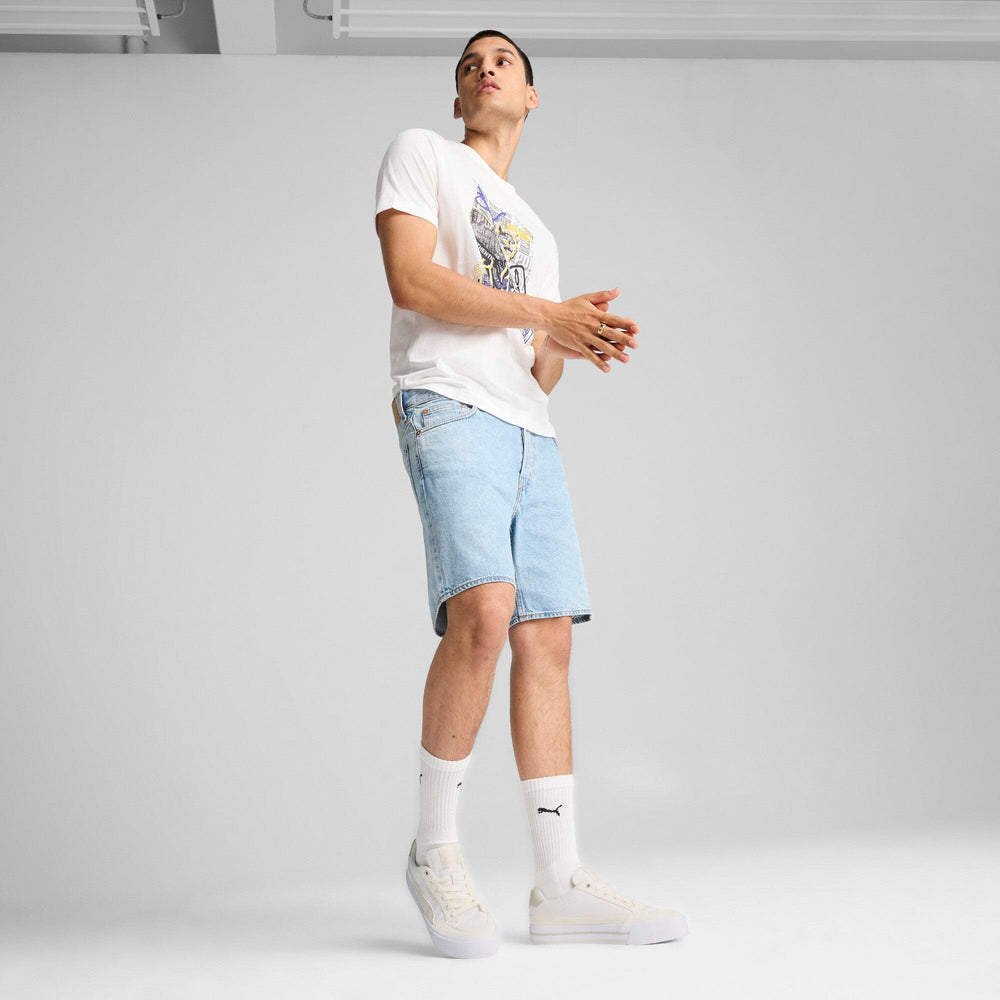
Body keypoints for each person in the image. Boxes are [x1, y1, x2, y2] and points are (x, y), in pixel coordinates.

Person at [374, 29, 689, 958]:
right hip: (446, 405)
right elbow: (411, 280)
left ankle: (558, 884)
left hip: (529, 430)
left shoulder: (537, 232)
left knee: (545, 635)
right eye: (470, 63)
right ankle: (435, 851)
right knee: (482, 610)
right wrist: (544, 313)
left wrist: (564, 340)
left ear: (531, 95)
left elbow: (531, 368)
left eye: (503, 60)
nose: (485, 68)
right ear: (457, 97)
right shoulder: (423, 154)